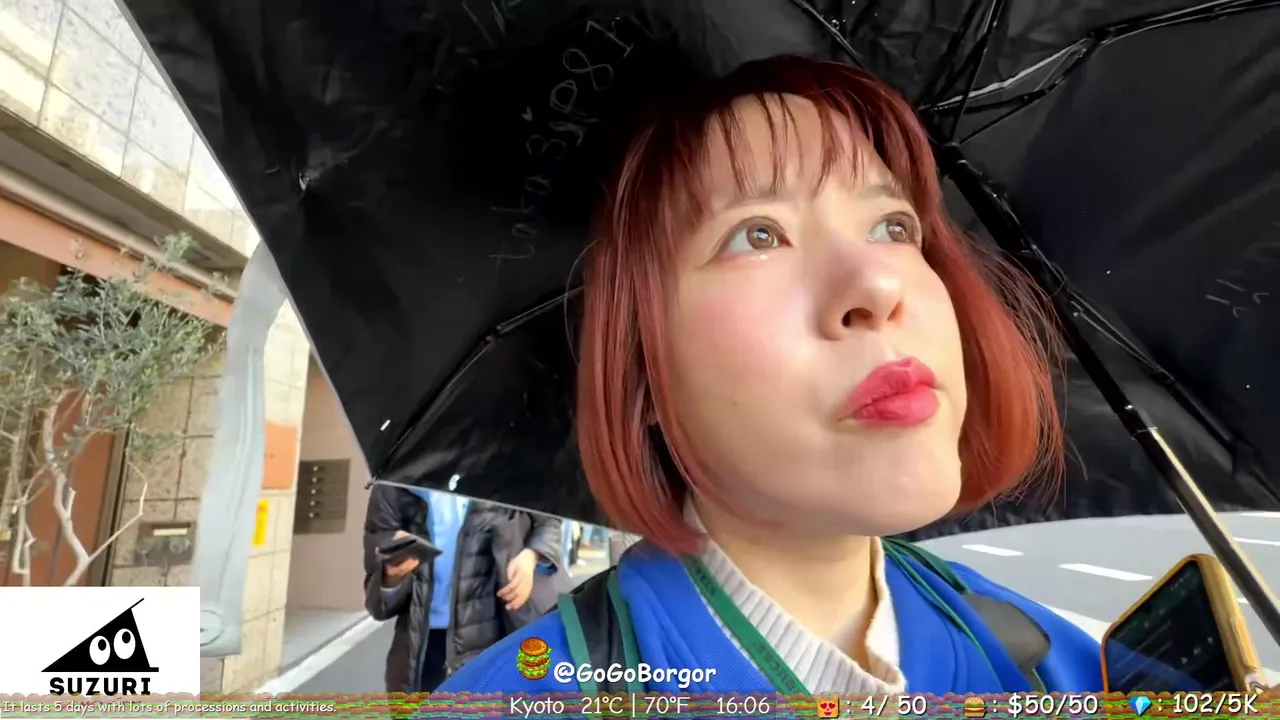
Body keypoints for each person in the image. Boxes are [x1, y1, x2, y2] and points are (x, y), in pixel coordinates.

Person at [440, 55, 1102, 696]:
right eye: (757, 234)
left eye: (893, 226)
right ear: (642, 369)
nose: (878, 285)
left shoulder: (1065, 669)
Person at [362, 482, 566, 693]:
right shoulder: (395, 484)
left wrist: (531, 556)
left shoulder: (507, 470)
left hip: (491, 639)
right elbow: (378, 603)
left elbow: (548, 522)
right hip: (420, 651)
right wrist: (391, 576)